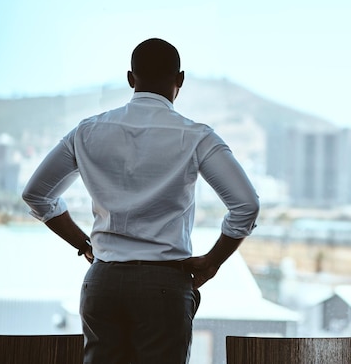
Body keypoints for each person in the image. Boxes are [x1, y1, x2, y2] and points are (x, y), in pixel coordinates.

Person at [22, 38, 259, 364]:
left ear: (131, 78)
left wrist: (83, 243)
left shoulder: (87, 131)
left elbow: (37, 194)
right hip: (163, 286)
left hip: (102, 282)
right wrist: (212, 261)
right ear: (180, 80)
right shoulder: (195, 136)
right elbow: (246, 205)